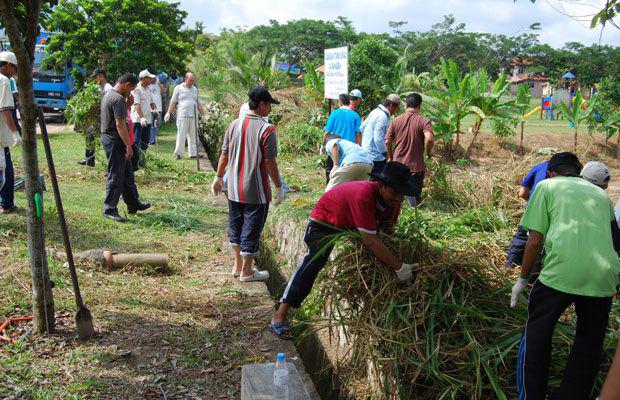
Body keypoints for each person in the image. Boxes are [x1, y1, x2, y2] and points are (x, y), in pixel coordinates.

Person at [510, 152, 619, 400]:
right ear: (579, 172)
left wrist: (522, 279)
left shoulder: (547, 186)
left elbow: (535, 239)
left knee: (537, 336)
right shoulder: (602, 195)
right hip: (603, 277)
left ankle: (532, 396)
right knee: (589, 345)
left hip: (560, 273)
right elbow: (615, 241)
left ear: (551, 172)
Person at [268, 162, 418, 340]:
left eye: (401, 195)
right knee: (314, 262)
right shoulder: (363, 195)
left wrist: (393, 260)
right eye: (395, 193)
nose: (398, 199)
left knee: (377, 254)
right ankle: (279, 315)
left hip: (351, 223)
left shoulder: (393, 201)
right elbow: (370, 240)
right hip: (324, 222)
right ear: (382, 185)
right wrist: (399, 267)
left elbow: (386, 231)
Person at [211, 86, 284, 282]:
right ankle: (247, 271)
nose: (270, 109)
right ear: (262, 104)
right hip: (256, 190)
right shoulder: (266, 130)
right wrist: (278, 186)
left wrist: (218, 177)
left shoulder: (233, 125)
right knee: (251, 229)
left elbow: (224, 154)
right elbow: (270, 162)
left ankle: (237, 265)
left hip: (233, 187)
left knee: (235, 225)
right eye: (269, 105)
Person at [101, 73, 151, 222]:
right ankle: (109, 208)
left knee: (127, 173)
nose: (130, 93)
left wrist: (128, 105)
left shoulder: (110, 95)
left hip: (113, 139)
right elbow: (120, 124)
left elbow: (119, 117)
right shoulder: (117, 99)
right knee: (116, 174)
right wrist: (128, 146)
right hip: (115, 141)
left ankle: (133, 203)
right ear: (127, 84)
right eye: (131, 89)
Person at [386, 92, 433, 206]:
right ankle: (414, 209)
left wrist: (390, 157)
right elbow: (430, 139)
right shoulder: (423, 121)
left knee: (396, 195)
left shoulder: (395, 121)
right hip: (415, 167)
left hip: (398, 164)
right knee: (414, 198)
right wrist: (429, 152)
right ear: (419, 106)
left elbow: (387, 141)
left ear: (406, 105)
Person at [504, 159, 549, 269]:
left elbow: (522, 193)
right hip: (553, 214)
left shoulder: (540, 166)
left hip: (532, 211)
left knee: (522, 237)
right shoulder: (570, 175)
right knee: (541, 244)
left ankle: (509, 267)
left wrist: (533, 203)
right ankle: (533, 275)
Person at [321, 93, 362, 183]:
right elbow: (358, 134)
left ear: (340, 102)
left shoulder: (334, 114)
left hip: (335, 147)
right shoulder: (355, 115)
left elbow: (327, 132)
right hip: (349, 150)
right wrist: (360, 146)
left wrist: (323, 145)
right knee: (346, 174)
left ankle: (329, 188)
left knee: (331, 169)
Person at [78, 68, 113, 167]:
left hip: (105, 118)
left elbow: (108, 104)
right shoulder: (100, 87)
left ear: (101, 76)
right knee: (90, 135)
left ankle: (111, 161)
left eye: (96, 77)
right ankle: (89, 160)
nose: (95, 79)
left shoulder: (108, 88)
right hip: (98, 117)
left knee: (106, 140)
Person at [0, 51, 21, 215]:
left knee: (7, 170)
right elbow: (5, 109)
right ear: (7, 65)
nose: (15, 72)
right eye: (14, 68)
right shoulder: (4, 80)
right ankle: (6, 204)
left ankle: (7, 203)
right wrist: (15, 132)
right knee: (3, 173)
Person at [165, 72, 204, 159]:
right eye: (190, 81)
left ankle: (193, 153)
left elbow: (198, 102)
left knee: (193, 134)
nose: (191, 83)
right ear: (185, 79)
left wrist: (203, 114)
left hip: (193, 114)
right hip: (183, 114)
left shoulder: (194, 89)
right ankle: (178, 153)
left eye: (193, 81)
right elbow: (173, 101)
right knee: (181, 134)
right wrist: (168, 112)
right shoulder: (178, 88)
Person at [360, 94, 401, 174]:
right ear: (391, 105)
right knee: (376, 183)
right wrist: (386, 154)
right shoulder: (382, 117)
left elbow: (362, 128)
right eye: (396, 108)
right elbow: (378, 139)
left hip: (366, 154)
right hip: (376, 158)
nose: (395, 111)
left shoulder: (375, 112)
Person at [130, 69, 157, 165]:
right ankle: (134, 161)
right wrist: (141, 117)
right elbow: (136, 104)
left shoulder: (149, 89)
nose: (151, 80)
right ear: (144, 79)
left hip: (148, 119)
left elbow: (151, 102)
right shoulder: (137, 89)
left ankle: (142, 160)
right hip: (138, 120)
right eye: (149, 78)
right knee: (136, 141)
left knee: (145, 141)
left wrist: (155, 109)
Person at [148, 75, 163, 145]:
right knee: (150, 124)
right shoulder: (148, 86)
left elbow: (163, 90)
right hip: (150, 109)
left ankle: (153, 137)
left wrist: (158, 82)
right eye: (152, 78)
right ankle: (151, 140)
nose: (154, 80)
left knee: (158, 124)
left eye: (155, 78)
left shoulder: (157, 85)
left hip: (159, 108)